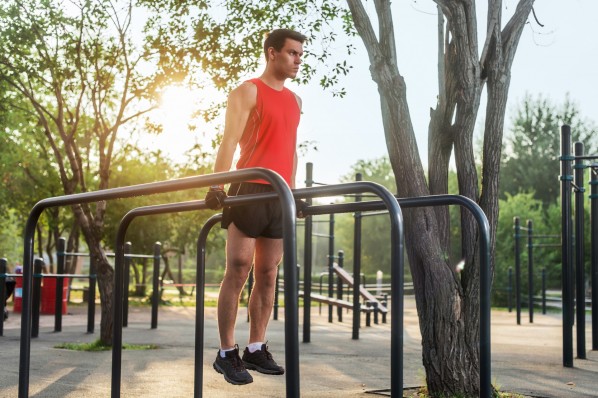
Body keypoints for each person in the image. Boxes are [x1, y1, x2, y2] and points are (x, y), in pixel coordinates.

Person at [204, 28, 307, 385]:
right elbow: (229, 140)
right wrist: (216, 184)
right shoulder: (247, 91)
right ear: (272, 53)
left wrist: (294, 192)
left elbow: (291, 150)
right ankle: (226, 352)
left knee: (268, 273)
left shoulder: (295, 102)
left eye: (300, 54)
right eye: (292, 53)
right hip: (249, 188)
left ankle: (256, 347)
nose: (298, 60)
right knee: (238, 268)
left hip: (280, 193)